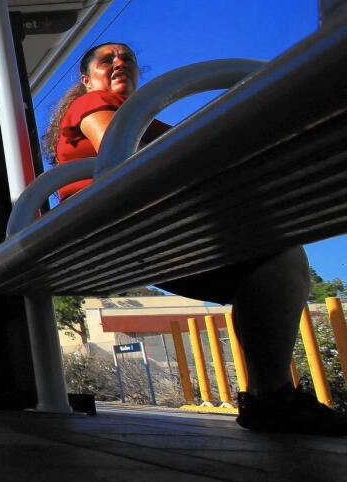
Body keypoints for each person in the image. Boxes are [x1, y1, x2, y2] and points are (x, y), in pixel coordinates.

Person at [43, 42, 346, 436]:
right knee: (275, 254)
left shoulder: (142, 117)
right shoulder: (93, 104)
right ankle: (270, 395)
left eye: (128, 59)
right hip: (118, 224)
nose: (120, 63)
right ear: (86, 80)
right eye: (108, 60)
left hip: (140, 226)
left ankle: (270, 396)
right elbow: (122, 156)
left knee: (275, 258)